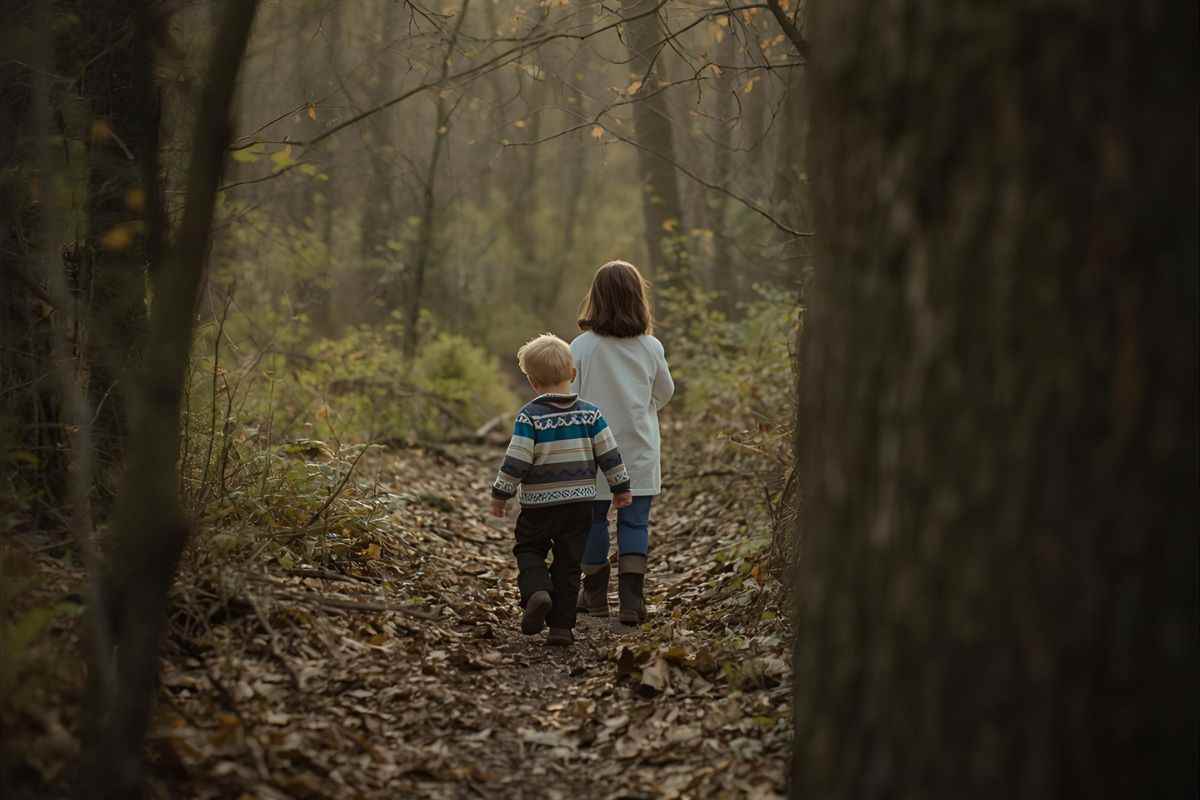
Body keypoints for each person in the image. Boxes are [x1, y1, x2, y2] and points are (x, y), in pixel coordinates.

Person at [490, 333, 633, 646]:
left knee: (529, 550)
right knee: (569, 564)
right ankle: (561, 629)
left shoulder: (529, 416)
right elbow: (610, 454)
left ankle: (537, 591)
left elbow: (517, 460)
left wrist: (501, 493)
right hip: (580, 505)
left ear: (532, 382)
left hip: (538, 506)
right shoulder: (590, 414)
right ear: (572, 373)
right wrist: (620, 488)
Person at [571, 261, 675, 625]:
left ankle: (595, 596)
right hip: (639, 448)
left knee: (594, 520)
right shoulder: (650, 346)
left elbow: (570, 396)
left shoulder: (581, 348)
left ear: (596, 299)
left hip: (592, 450)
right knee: (634, 522)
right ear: (638, 299)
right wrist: (641, 411)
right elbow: (664, 392)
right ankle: (632, 601)